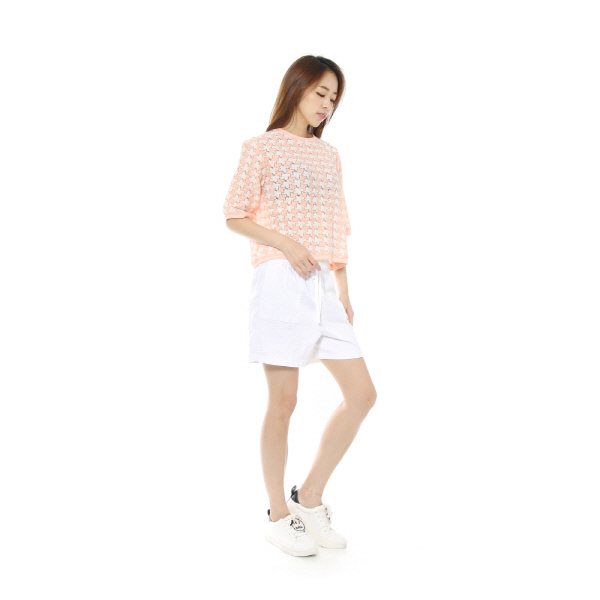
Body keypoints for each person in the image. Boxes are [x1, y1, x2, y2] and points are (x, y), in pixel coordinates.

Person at [223, 55, 377, 557]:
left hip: (324, 288)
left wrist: (344, 288)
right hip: (279, 282)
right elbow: (234, 214)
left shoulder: (330, 156)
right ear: (297, 88)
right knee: (283, 403)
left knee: (362, 395)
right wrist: (285, 243)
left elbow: (337, 227)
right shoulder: (260, 147)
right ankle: (277, 515)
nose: (327, 105)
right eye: (320, 93)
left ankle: (309, 497)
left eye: (334, 98)